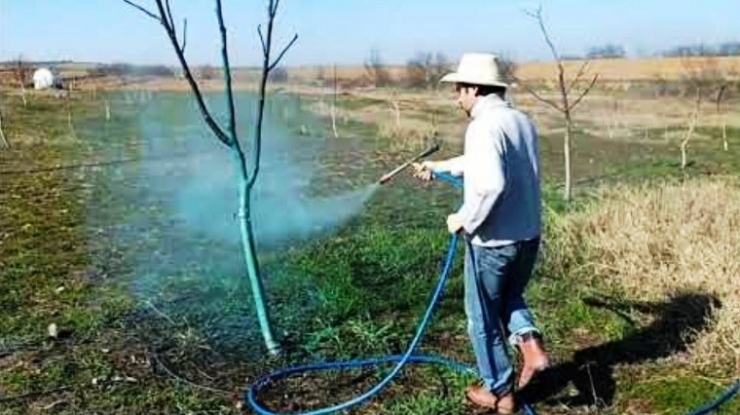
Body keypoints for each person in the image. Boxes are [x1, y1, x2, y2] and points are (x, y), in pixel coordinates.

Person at [413, 52, 550, 413]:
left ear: (474, 88)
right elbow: (481, 164)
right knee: (509, 299)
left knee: (482, 319)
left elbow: (490, 184)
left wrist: (463, 220)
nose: (457, 98)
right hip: (527, 236)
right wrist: (437, 165)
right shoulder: (519, 120)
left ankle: (500, 394)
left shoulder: (483, 127)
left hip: (494, 242)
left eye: (459, 90)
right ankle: (531, 347)